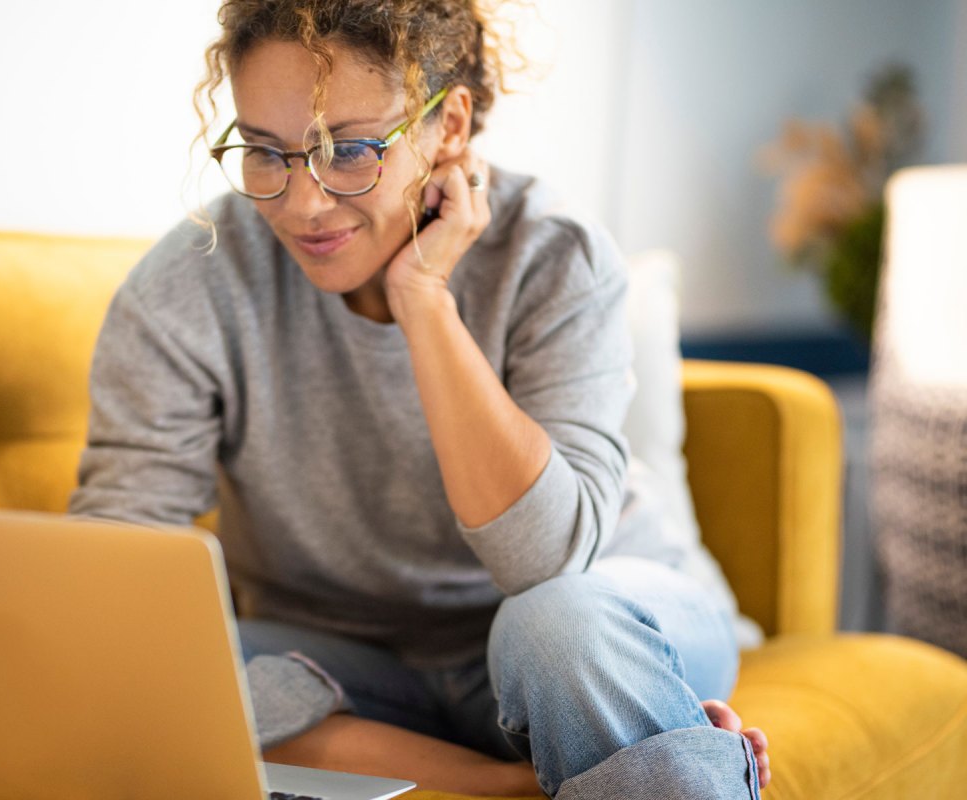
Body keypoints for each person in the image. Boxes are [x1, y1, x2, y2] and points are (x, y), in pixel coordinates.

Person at [69, 1, 770, 797]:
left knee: (557, 630)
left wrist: (425, 299)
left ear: (450, 127)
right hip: (342, 664)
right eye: (267, 152)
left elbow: (547, 562)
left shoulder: (553, 257)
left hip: (588, 620)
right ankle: (511, 777)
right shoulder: (190, 284)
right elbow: (117, 575)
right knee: (147, 657)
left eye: (352, 150)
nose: (302, 204)